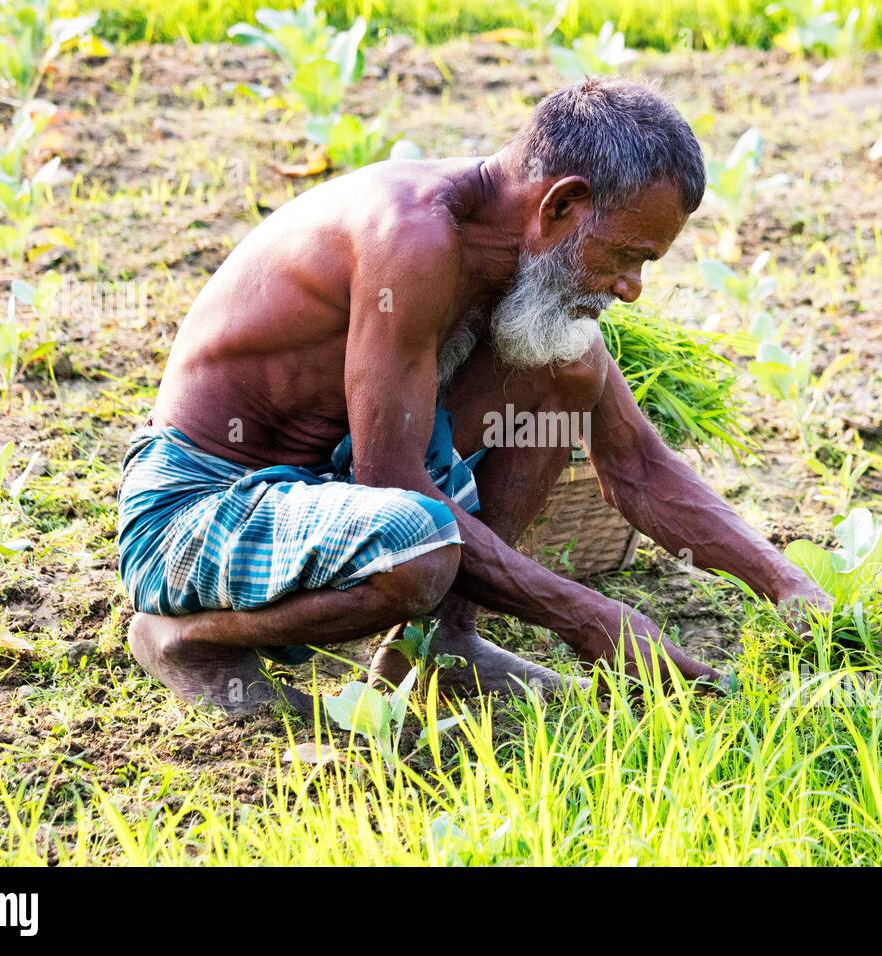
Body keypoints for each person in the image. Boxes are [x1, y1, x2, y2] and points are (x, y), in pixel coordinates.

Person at [118, 77, 832, 715]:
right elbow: (394, 486)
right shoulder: (413, 238)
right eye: (627, 255)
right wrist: (589, 618)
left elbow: (636, 464)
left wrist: (791, 588)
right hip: (199, 508)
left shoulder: (513, 256)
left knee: (570, 367)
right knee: (418, 548)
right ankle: (188, 641)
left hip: (326, 486)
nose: (631, 287)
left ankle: (442, 648)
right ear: (562, 206)